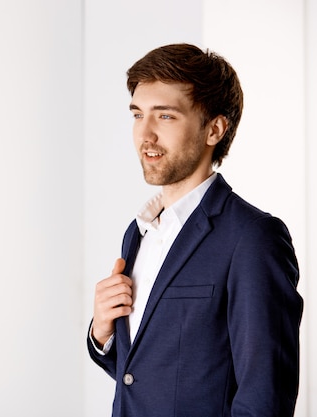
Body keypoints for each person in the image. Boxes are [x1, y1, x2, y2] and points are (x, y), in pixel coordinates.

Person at [87, 43, 303, 417]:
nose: (145, 134)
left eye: (165, 116)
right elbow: (143, 377)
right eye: (138, 115)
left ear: (214, 130)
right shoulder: (138, 233)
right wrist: (102, 334)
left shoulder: (252, 238)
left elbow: (265, 396)